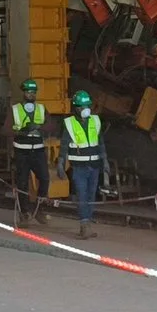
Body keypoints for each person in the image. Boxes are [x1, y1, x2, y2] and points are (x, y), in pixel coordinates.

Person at [62, 90, 105, 237]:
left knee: (91, 196)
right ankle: (84, 224)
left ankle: (88, 223)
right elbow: (64, 145)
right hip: (79, 167)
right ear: (75, 108)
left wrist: (105, 162)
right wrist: (61, 163)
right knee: (82, 195)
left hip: (94, 166)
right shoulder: (70, 123)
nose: (85, 109)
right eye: (81, 106)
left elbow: (101, 143)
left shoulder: (95, 120)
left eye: (87, 106)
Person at [9, 79, 50, 226]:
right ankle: (24, 212)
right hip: (22, 152)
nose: (31, 95)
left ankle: (39, 209)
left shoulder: (41, 109)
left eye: (33, 92)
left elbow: (52, 127)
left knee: (45, 178)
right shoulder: (15, 110)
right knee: (22, 183)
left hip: (38, 151)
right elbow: (6, 129)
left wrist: (39, 127)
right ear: (23, 93)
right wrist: (21, 131)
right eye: (28, 92)